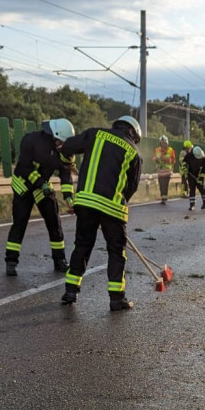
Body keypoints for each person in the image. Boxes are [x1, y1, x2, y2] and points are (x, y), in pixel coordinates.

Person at [59, 115, 143, 311]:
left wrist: (67, 162)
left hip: (86, 203)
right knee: (116, 252)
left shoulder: (94, 134)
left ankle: (70, 291)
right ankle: (116, 298)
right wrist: (121, 203)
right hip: (113, 207)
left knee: (82, 246)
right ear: (132, 133)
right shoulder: (134, 153)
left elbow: (67, 148)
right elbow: (132, 187)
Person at [4, 118, 75, 277]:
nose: (61, 145)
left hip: (42, 187)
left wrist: (69, 197)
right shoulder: (31, 141)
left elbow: (65, 175)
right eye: (60, 142)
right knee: (20, 222)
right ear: (53, 135)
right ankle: (11, 261)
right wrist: (42, 184)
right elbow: (25, 167)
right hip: (23, 184)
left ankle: (60, 260)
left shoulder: (64, 151)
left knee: (54, 222)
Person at [152, 135, 176, 204]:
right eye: (162, 143)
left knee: (165, 184)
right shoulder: (157, 149)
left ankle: (164, 198)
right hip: (160, 171)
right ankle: (163, 196)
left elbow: (173, 160)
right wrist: (156, 159)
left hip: (167, 172)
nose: (163, 144)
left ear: (167, 143)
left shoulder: (170, 150)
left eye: (164, 143)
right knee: (161, 184)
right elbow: (154, 158)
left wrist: (165, 159)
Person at [184, 145, 205, 211]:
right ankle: (192, 204)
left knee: (201, 188)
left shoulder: (202, 157)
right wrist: (185, 168)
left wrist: (201, 178)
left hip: (199, 173)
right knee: (192, 188)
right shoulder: (188, 156)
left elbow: (204, 168)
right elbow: (183, 164)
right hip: (191, 174)